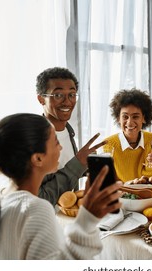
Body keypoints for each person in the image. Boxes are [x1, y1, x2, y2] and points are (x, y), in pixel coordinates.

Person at [0, 113, 122, 259]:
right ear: (38, 159)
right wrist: (88, 218)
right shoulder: (35, 209)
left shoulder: (3, 199)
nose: (60, 148)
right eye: (55, 142)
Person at [36, 67, 105, 205]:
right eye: (58, 95)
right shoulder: (35, 139)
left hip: (69, 216)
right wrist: (78, 163)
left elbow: (66, 171)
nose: (67, 102)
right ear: (41, 99)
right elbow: (40, 198)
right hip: (49, 221)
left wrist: (86, 166)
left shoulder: (68, 131)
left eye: (72, 95)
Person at [103, 89, 152, 182]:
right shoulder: (109, 144)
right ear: (118, 118)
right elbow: (109, 181)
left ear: (143, 118)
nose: (130, 123)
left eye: (135, 116)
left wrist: (151, 166)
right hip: (123, 195)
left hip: (149, 194)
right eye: (125, 117)